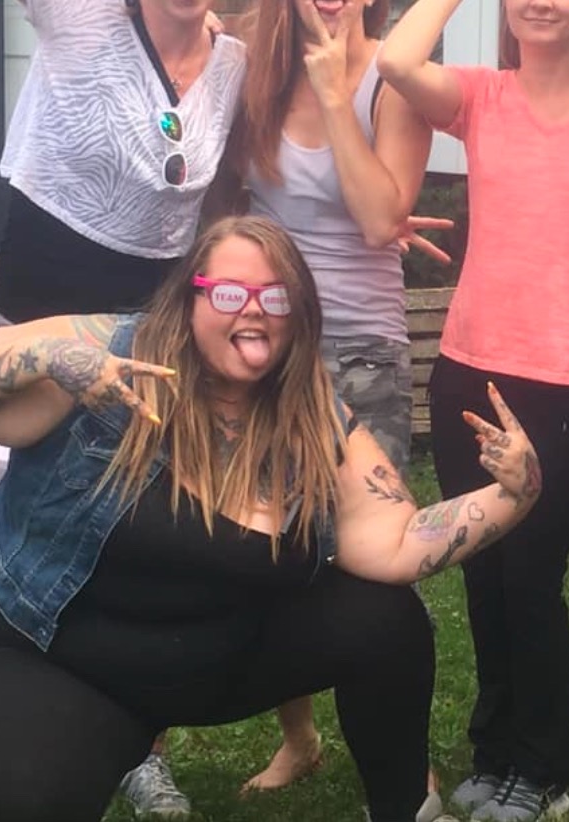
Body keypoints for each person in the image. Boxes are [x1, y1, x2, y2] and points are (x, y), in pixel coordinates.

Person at [0, 215, 541, 822]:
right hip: (66, 661)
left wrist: (514, 493)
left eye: (276, 296)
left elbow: (396, 541)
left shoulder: (311, 413)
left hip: (216, 659)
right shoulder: (111, 353)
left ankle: (406, 808)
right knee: (17, 800)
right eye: (229, 293)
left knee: (385, 617)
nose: (254, 310)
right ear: (189, 299)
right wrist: (51, 359)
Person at [0, 0, 246, 815]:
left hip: (140, 352)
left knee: (130, 555)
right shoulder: (77, 14)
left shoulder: (233, 63)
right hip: (26, 337)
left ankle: (137, 749)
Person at [378, 0, 569, 818]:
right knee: (484, 577)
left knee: (532, 580)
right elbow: (397, 61)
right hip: (467, 374)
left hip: (565, 384)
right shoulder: (482, 96)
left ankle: (545, 771)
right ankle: (497, 750)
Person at [226, 0, 450, 791]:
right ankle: (301, 738)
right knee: (270, 547)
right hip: (266, 341)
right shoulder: (252, 65)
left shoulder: (391, 79)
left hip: (360, 350)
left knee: (374, 562)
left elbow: (381, 217)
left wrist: (330, 93)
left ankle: (403, 762)